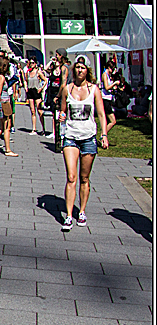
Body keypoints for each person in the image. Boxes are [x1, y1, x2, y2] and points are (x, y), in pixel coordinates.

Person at [59, 58, 109, 231]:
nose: (80, 70)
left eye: (83, 67)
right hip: (71, 137)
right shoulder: (67, 89)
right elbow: (62, 110)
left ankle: (81, 211)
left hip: (88, 137)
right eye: (78, 67)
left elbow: (101, 114)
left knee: (84, 178)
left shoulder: (94, 89)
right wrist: (61, 116)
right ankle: (69, 215)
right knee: (71, 177)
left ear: (88, 70)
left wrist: (104, 134)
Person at [0, 53, 19, 157]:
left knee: (2, 127)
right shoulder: (1, 77)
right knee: (7, 126)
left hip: (4, 102)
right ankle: (7, 149)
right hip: (4, 102)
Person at [25, 59, 47, 135]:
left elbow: (45, 80)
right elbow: (25, 80)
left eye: (33, 63)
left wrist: (41, 88)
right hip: (30, 91)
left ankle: (43, 128)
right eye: (30, 63)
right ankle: (34, 129)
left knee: (39, 110)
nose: (31, 64)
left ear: (35, 64)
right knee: (32, 111)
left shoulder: (38, 72)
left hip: (36, 91)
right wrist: (26, 87)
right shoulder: (28, 72)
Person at [99, 57, 118, 139]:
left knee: (109, 120)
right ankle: (103, 135)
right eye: (112, 69)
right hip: (105, 99)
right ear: (109, 67)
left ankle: (103, 135)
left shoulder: (108, 75)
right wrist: (114, 83)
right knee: (113, 121)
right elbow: (106, 87)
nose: (112, 71)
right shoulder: (105, 75)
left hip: (108, 98)